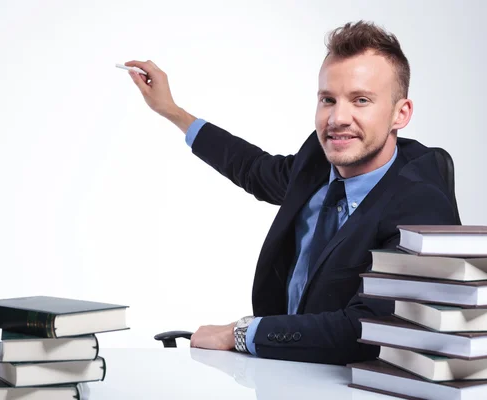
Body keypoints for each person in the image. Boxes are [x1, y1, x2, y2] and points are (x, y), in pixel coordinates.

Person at [124, 20, 459, 365]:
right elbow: (254, 169)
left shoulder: (421, 204)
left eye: (361, 100)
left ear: (400, 114)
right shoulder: (316, 159)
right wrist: (173, 111)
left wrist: (240, 333)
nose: (338, 118)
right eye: (328, 99)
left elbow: (365, 329)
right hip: (276, 374)